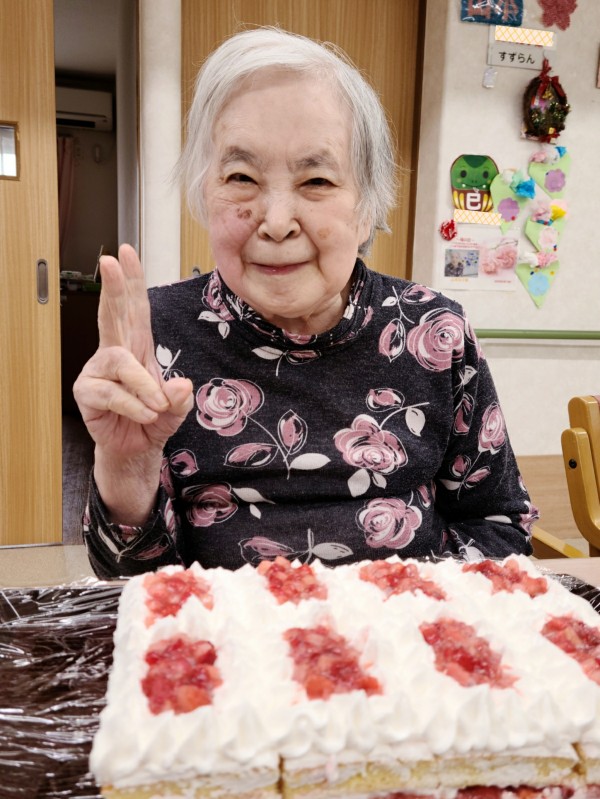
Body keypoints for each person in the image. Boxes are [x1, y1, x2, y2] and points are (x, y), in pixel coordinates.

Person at [74, 27, 537, 579]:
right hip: (221, 633)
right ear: (205, 194)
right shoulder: (159, 333)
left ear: (368, 207)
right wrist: (127, 467)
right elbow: (129, 583)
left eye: (316, 180)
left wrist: (405, 610)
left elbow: (501, 526)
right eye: (241, 177)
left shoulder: (433, 331)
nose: (275, 222)